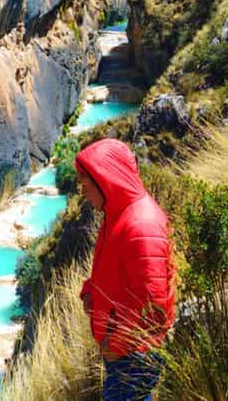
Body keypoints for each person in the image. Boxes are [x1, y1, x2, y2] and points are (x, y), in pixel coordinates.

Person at [75, 138, 175, 400]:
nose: (82, 190)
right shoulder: (117, 215)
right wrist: (89, 292)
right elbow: (112, 269)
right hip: (125, 349)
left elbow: (153, 305)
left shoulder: (141, 224)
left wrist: (117, 344)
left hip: (134, 354)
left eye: (86, 182)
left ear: (105, 180)